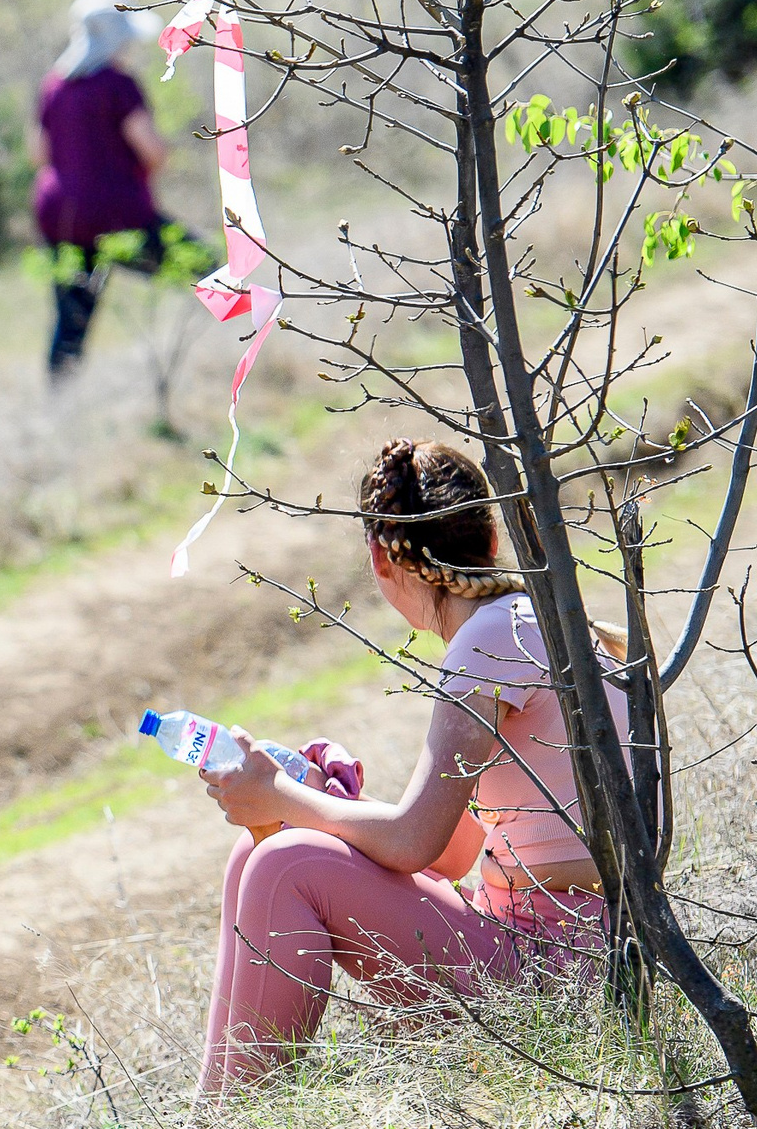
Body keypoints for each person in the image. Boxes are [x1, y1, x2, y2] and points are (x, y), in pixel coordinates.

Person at [195, 438, 629, 1091]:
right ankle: (217, 1118)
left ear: (380, 556)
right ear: (487, 535)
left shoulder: (486, 639)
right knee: (274, 849)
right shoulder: (536, 620)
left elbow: (412, 842)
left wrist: (283, 794)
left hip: (555, 968)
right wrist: (317, 802)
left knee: (283, 865)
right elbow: (451, 856)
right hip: (595, 949)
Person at [33, 0, 176, 377]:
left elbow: (38, 154)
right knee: (206, 271)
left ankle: (58, 404)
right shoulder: (117, 85)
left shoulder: (55, 86)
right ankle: (255, 343)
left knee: (72, 315)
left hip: (60, 214)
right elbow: (152, 151)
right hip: (117, 213)